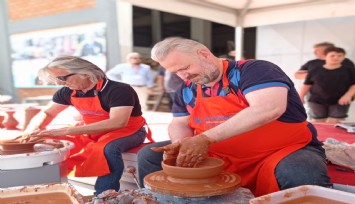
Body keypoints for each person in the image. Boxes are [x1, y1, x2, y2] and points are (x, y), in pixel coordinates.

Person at [137, 37, 332, 196]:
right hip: (219, 153)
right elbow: (179, 122)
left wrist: (204, 139)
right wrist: (183, 144)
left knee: (300, 170)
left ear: (204, 55)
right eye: (175, 72)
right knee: (149, 155)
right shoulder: (187, 88)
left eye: (184, 68)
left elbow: (268, 108)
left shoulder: (254, 70)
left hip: (280, 151)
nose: (183, 76)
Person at [24, 56, 153, 195]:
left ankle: (104, 196)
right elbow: (47, 113)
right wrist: (32, 130)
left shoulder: (118, 90)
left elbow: (118, 122)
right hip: (91, 128)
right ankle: (53, 189)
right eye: (56, 79)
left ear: (85, 73)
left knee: (106, 149)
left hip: (130, 130)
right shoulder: (68, 91)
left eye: (62, 78)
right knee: (51, 144)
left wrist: (66, 130)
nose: (59, 83)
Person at [298, 47, 355, 123]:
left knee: (335, 122)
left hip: (340, 101)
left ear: (344, 57)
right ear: (325, 57)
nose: (336, 57)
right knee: (318, 122)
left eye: (340, 55)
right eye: (332, 55)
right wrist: (301, 97)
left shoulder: (350, 70)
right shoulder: (314, 70)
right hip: (317, 101)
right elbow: (307, 85)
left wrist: (348, 95)